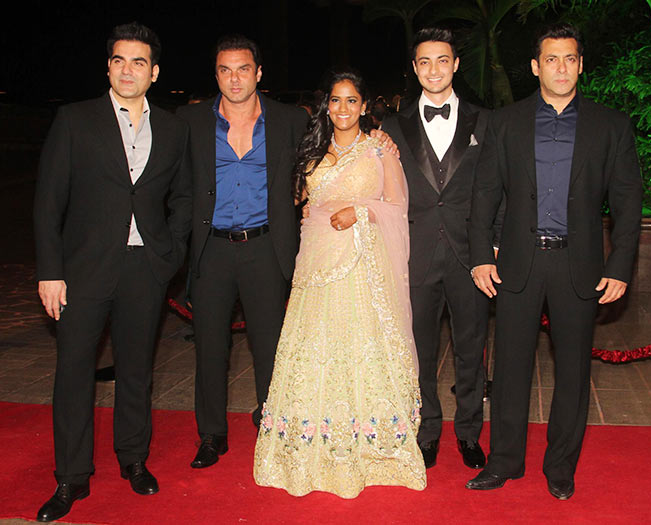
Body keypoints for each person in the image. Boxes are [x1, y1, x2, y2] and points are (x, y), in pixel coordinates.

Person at [178, 35, 398, 470]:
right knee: (210, 348)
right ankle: (211, 435)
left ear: (258, 73)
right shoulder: (188, 121)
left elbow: (330, 147)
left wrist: (381, 139)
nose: (235, 79)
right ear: (216, 75)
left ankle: (274, 424)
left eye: (244, 69)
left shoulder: (288, 120)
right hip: (211, 249)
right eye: (225, 70)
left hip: (266, 248)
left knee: (271, 348)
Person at [466, 23, 642, 500]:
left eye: (569, 59)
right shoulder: (505, 122)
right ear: (535, 67)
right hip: (518, 263)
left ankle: (561, 466)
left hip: (578, 265)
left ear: (581, 65)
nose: (560, 68)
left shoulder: (611, 125)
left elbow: (628, 203)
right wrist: (480, 256)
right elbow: (485, 195)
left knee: (573, 373)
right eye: (551, 59)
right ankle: (504, 461)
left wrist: (620, 266)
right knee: (510, 369)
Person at [34, 22, 191, 522]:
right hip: (82, 269)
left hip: (145, 267)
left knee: (137, 370)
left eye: (138, 62)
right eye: (119, 60)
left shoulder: (173, 128)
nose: (128, 70)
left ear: (154, 72)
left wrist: (171, 253)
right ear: (108, 67)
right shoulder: (75, 119)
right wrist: (50, 271)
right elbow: (48, 202)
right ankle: (71, 477)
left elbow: (183, 197)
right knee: (73, 372)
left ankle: (134, 459)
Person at [253, 69, 426, 498]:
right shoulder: (311, 149)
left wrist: (360, 211)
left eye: (351, 100)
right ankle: (308, 446)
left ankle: (371, 449)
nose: (343, 108)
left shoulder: (379, 149)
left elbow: (398, 207)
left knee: (359, 352)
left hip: (362, 269)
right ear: (325, 106)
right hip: (314, 267)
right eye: (335, 100)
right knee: (313, 352)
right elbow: (297, 199)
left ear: (364, 106)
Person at [383, 28, 492, 471]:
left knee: (471, 349)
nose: (434, 70)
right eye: (425, 62)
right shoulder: (392, 127)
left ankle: (469, 432)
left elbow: (498, 190)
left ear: (456, 65)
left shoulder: (486, 122)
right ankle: (427, 430)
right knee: (419, 352)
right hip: (415, 254)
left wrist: (493, 247)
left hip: (472, 258)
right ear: (414, 68)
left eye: (442, 60)